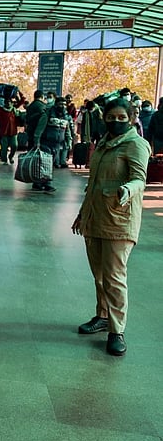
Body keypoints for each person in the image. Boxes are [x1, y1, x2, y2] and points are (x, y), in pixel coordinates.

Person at [71, 98, 150, 356]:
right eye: (111, 117)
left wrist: (127, 190)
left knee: (115, 277)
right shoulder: (103, 144)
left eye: (121, 118)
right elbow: (93, 184)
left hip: (119, 220)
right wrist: (82, 214)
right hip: (95, 218)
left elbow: (139, 179)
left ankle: (117, 331)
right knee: (100, 275)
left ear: (131, 118)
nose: (115, 122)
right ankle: (103, 316)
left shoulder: (136, 144)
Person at [0, 97, 19, 165]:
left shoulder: (14, 109)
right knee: (4, 147)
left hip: (13, 131)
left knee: (15, 145)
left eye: (10, 102)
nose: (9, 103)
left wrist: (18, 95)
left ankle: (11, 156)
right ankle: (4, 160)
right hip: (4, 132)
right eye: (7, 102)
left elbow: (21, 101)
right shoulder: (1, 110)